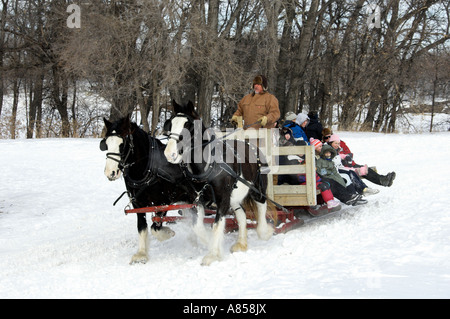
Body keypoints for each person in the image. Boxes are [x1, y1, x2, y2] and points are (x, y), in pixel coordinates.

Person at [277, 129, 340, 209]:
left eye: (303, 150)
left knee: (326, 183)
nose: (302, 153)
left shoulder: (306, 157)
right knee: (323, 185)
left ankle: (330, 200)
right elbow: (296, 175)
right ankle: (329, 202)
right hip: (301, 182)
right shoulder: (292, 158)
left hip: (309, 180)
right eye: (300, 150)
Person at [323, 128, 396, 187]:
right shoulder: (325, 147)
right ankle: (380, 181)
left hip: (349, 163)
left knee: (367, 169)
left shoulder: (340, 143)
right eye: (326, 137)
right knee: (362, 171)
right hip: (341, 168)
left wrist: (348, 157)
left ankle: (383, 179)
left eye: (330, 136)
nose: (328, 138)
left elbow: (348, 152)